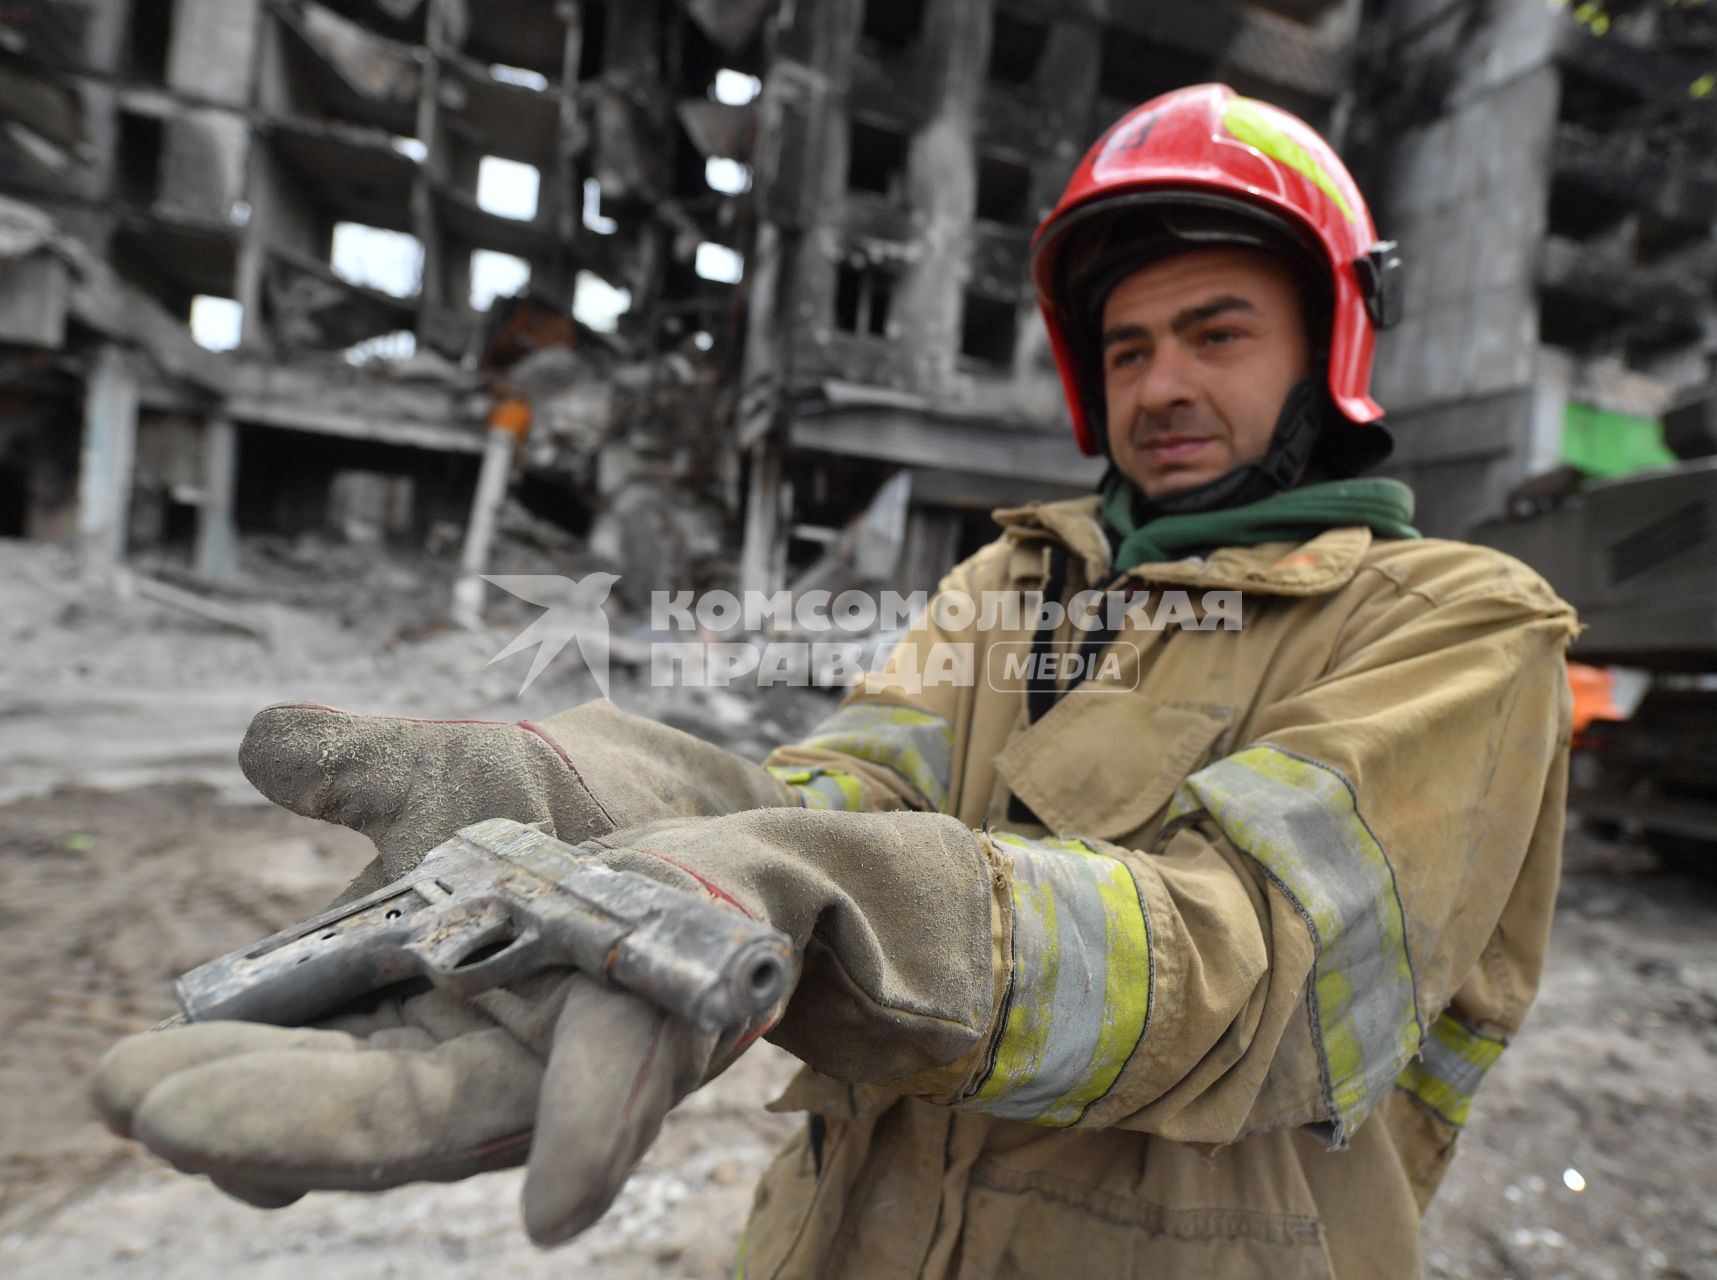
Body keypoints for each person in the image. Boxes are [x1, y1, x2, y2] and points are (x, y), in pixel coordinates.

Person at [92, 85, 1576, 1278]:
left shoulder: (1453, 627)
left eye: (1216, 331)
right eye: (1126, 346)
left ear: (1329, 344)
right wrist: (587, 799)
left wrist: (827, 901)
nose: (1161, 385)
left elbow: (1260, 969)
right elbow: (842, 792)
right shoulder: (1017, 585)